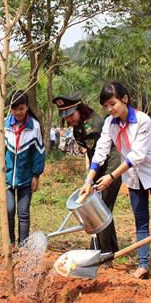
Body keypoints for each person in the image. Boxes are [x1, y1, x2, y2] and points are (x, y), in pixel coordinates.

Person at [80, 81, 151, 288]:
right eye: (106, 106)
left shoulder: (143, 120)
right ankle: (143, 265)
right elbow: (101, 152)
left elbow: (137, 155)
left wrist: (111, 177)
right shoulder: (109, 123)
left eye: (112, 103)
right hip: (132, 178)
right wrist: (89, 180)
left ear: (125, 99)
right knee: (140, 222)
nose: (110, 109)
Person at [52, 94, 122, 254]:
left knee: (101, 208)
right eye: (65, 116)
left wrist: (92, 178)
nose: (68, 119)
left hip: (110, 168)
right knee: (103, 208)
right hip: (97, 169)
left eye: (70, 114)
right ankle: (110, 250)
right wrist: (89, 178)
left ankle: (102, 252)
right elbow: (90, 154)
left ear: (79, 109)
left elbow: (102, 154)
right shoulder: (78, 128)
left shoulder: (93, 125)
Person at [0, 90, 45, 247]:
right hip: (6, 177)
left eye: (21, 108)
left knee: (23, 212)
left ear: (27, 107)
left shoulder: (34, 127)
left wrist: (36, 175)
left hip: (26, 178)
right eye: (15, 109)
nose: (18, 112)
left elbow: (39, 152)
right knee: (9, 210)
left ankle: (23, 245)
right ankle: (10, 243)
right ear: (10, 108)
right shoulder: (3, 125)